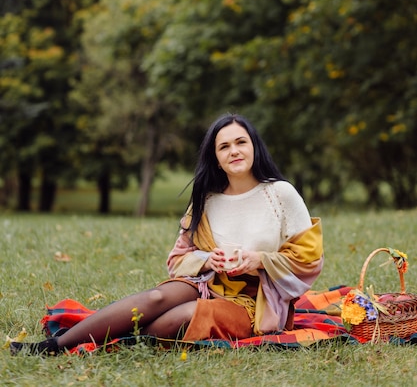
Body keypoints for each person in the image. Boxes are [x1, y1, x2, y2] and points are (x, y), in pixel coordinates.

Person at [10, 113, 323, 355]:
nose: (234, 151)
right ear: (215, 157)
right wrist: (207, 260)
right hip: (207, 283)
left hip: (253, 302)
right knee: (157, 297)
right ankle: (54, 347)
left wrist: (255, 260)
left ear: (254, 145)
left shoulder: (280, 194)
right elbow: (177, 261)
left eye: (241, 142)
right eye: (224, 146)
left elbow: (309, 260)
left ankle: (112, 334)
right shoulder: (207, 200)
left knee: (178, 318)